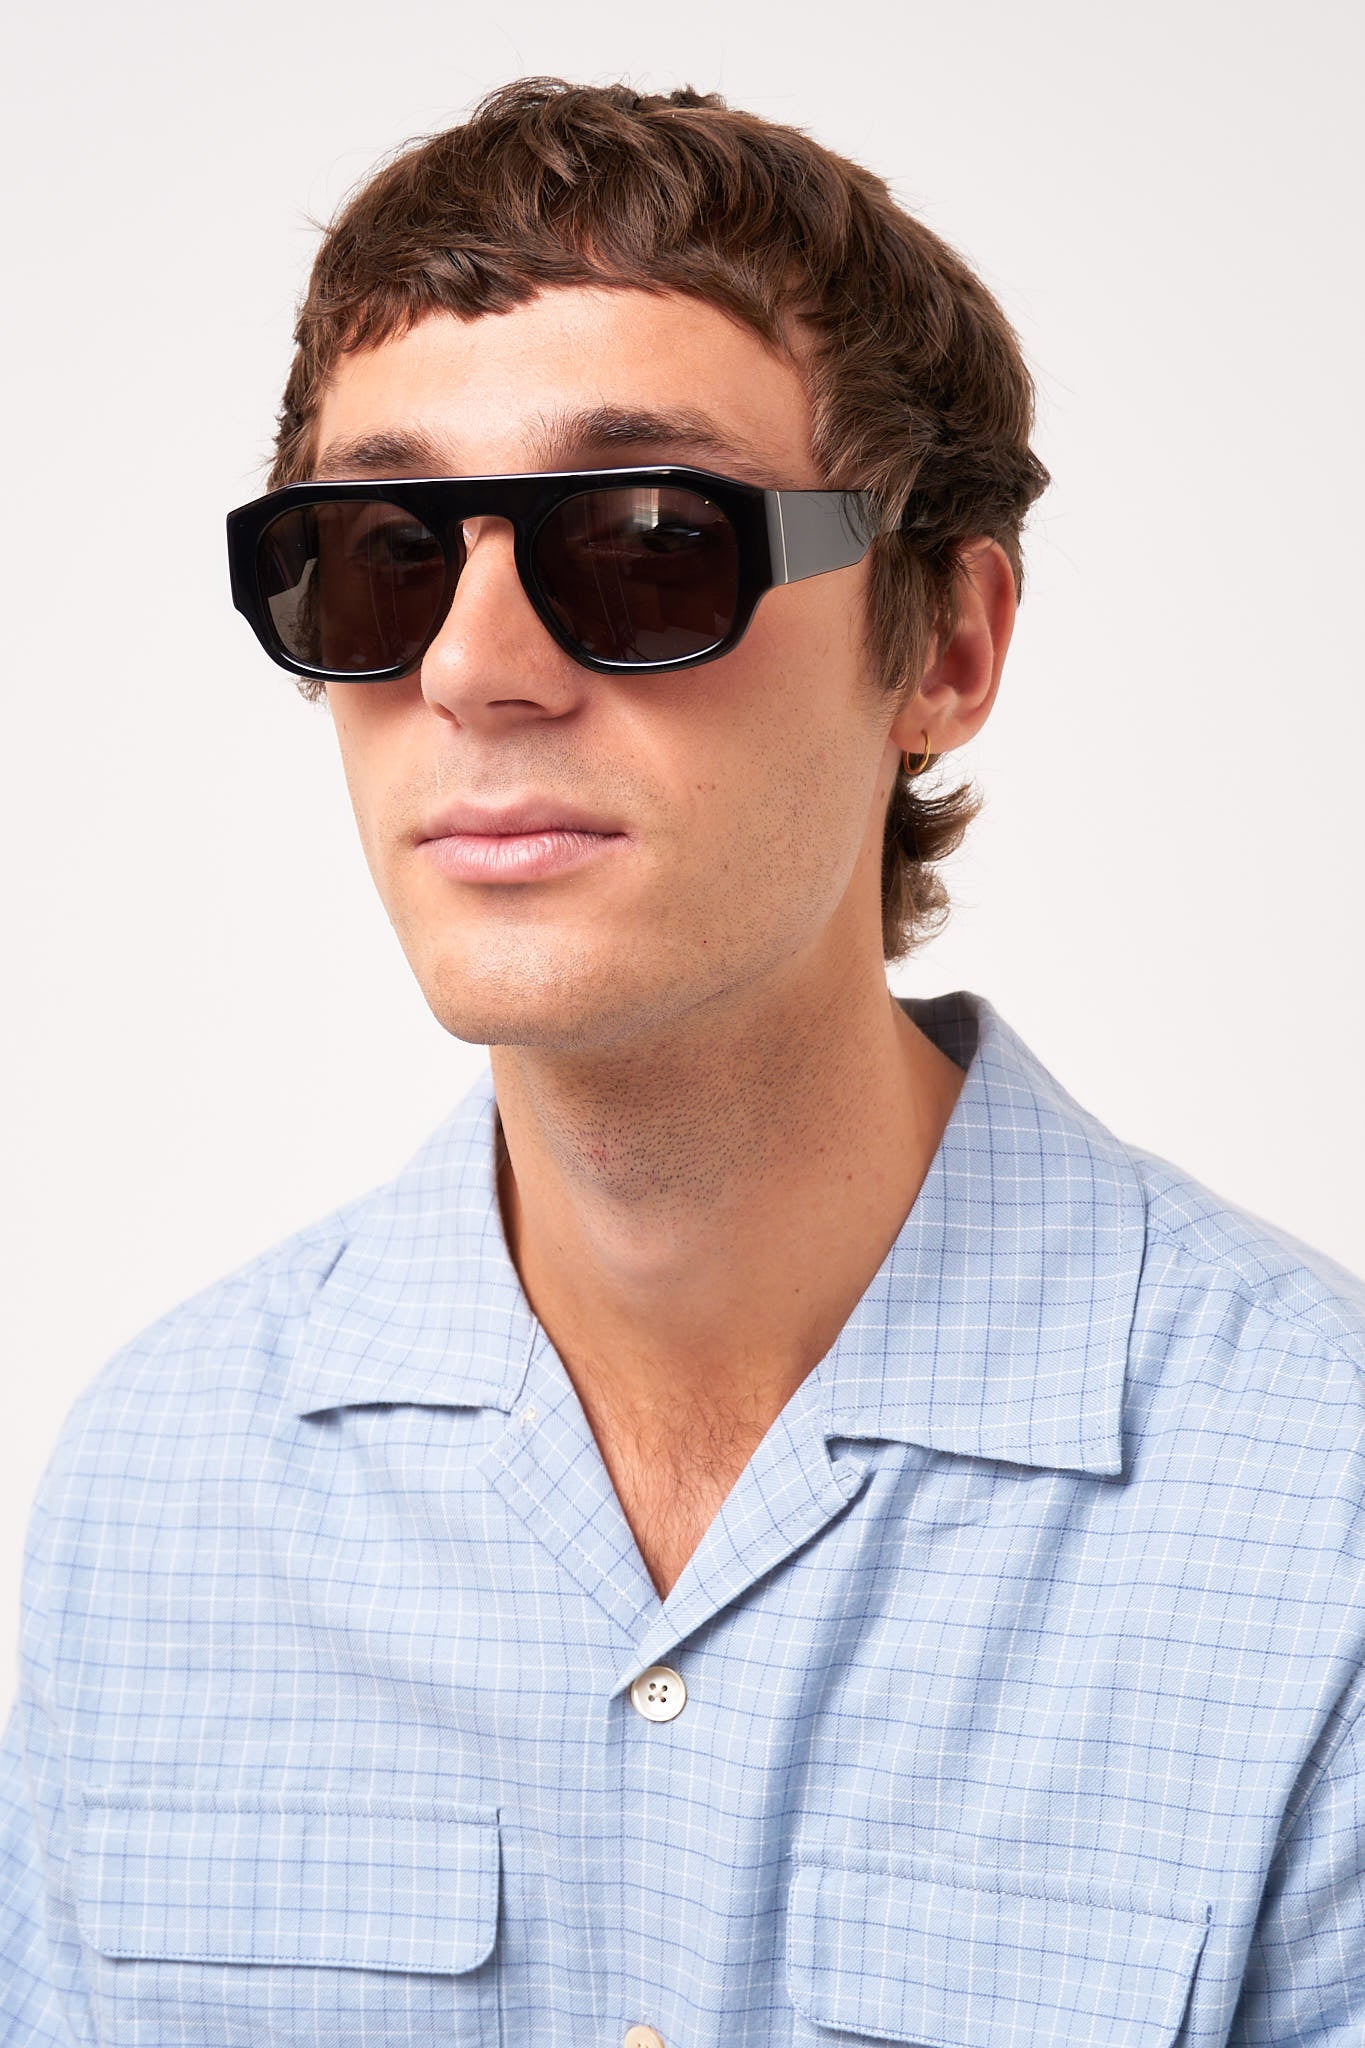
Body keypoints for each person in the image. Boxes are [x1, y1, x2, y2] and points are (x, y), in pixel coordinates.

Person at [3, 75, 1362, 2048]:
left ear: (944, 644)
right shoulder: (157, 1490)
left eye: (647, 540)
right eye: (376, 554)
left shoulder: (1320, 1516)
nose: (471, 669)